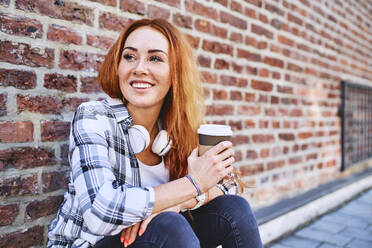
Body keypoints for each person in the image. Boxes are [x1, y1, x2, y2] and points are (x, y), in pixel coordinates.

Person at [47, 18, 262, 248]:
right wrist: (193, 184)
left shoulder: (177, 126)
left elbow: (229, 183)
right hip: (91, 243)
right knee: (170, 226)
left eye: (155, 58)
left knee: (233, 210)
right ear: (117, 66)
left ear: (175, 73)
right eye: (129, 56)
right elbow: (101, 212)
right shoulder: (93, 117)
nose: (139, 68)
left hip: (159, 237)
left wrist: (175, 204)